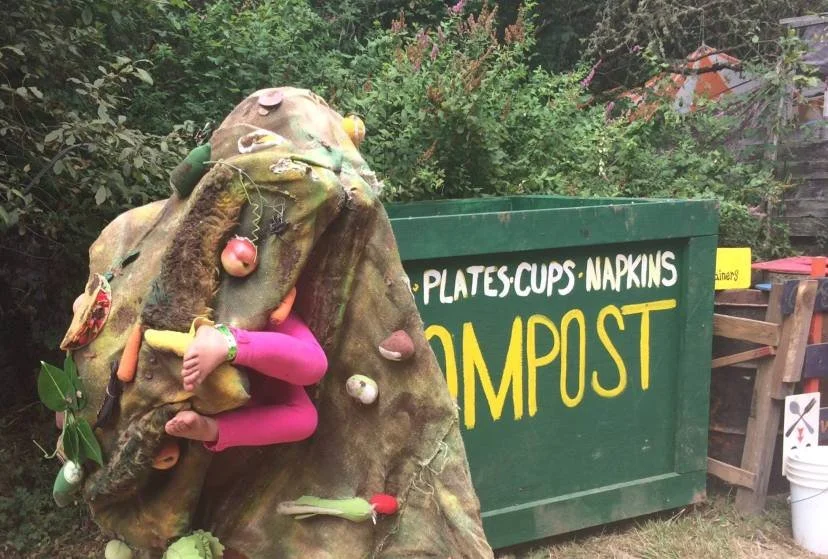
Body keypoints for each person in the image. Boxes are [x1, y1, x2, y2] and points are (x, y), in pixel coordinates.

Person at [164, 288, 327, 451]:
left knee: (306, 420)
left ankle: (213, 429)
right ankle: (225, 340)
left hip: (258, 371)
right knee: (315, 370)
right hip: (260, 321)